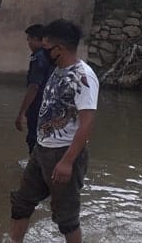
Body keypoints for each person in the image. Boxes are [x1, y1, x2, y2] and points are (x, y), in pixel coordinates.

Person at [9, 19, 99, 243]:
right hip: (41, 150)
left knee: (66, 217)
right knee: (21, 204)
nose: (42, 52)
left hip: (64, 153)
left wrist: (68, 161)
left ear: (59, 49)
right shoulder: (57, 70)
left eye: (46, 48)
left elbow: (87, 123)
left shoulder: (83, 77)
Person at [15, 24, 54, 154]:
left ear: (37, 39)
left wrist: (21, 113)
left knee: (34, 138)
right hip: (50, 106)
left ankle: (35, 168)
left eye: (29, 39)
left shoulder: (39, 58)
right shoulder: (51, 56)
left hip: (38, 106)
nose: (29, 43)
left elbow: (34, 87)